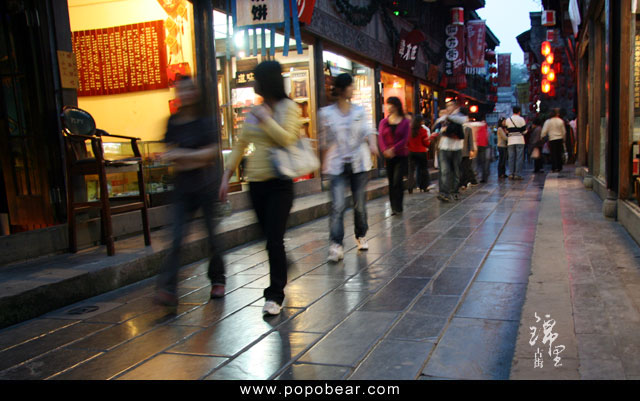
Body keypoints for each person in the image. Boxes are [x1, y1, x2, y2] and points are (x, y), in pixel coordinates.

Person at [219, 61, 301, 316]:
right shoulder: (255, 111)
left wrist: (266, 120)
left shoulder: (289, 108)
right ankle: (282, 264)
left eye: (257, 80)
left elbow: (287, 138)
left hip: (280, 184)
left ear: (267, 82)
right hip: (255, 184)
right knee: (269, 239)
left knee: (274, 240)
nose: (254, 85)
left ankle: (275, 294)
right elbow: (241, 144)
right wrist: (226, 177)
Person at [154, 75, 225, 307]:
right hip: (182, 189)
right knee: (175, 238)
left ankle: (218, 279)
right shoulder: (172, 123)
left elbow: (210, 154)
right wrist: (193, 156)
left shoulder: (205, 121)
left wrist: (183, 156)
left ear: (194, 93)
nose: (183, 94)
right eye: (179, 90)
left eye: (187, 90)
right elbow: (170, 156)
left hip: (205, 187)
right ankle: (168, 287)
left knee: (212, 237)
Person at [318, 73, 379, 263]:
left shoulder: (360, 111)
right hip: (336, 164)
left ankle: (361, 235)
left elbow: (369, 130)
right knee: (337, 205)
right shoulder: (326, 113)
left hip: (358, 163)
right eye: (351, 86)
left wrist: (373, 144)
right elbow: (324, 140)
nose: (353, 89)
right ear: (343, 89)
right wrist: (322, 162)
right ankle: (336, 245)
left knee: (359, 204)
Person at [378, 97, 410, 215]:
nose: (388, 107)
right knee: (391, 181)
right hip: (388, 156)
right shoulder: (383, 122)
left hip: (400, 155)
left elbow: (405, 138)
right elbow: (380, 137)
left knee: (398, 181)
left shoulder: (405, 122)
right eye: (387, 104)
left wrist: (394, 149)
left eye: (390, 104)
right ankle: (394, 207)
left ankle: (399, 205)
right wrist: (384, 150)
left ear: (396, 106)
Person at [437, 99, 467, 202]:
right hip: (444, 146)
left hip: (456, 147)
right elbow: (439, 129)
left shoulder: (458, 117)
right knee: (445, 171)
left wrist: (446, 127)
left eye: (450, 106)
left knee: (455, 170)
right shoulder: (445, 118)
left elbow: (461, 122)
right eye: (447, 106)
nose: (448, 108)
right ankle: (444, 192)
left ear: (455, 107)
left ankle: (454, 191)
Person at [407, 114, 432, 193]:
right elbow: (426, 143)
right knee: (423, 169)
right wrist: (429, 141)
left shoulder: (409, 130)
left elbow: (406, 142)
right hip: (421, 152)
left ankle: (410, 187)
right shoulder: (423, 130)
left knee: (410, 170)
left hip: (411, 152)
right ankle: (423, 186)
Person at [541, 108, 567, 172]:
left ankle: (554, 167)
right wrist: (564, 138)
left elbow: (544, 131)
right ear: (557, 114)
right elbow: (564, 131)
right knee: (559, 153)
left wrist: (542, 136)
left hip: (552, 139)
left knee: (553, 153)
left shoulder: (548, 121)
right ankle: (559, 166)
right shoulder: (560, 121)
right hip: (559, 138)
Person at [504, 106, 527, 180]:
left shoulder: (508, 120)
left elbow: (507, 130)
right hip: (520, 140)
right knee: (519, 158)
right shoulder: (521, 119)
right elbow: (524, 131)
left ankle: (511, 173)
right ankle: (517, 174)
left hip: (510, 140)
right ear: (519, 111)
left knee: (511, 158)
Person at [459, 118, 478, 191]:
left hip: (466, 151)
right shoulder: (457, 129)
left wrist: (471, 150)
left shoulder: (468, 129)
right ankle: (461, 182)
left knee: (465, 168)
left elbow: (470, 141)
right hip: (458, 150)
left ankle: (464, 183)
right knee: (460, 168)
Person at [474, 119, 490, 183]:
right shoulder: (485, 127)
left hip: (477, 145)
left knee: (475, 162)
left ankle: (475, 176)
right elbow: (487, 136)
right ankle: (484, 177)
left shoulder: (476, 126)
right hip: (483, 145)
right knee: (483, 162)